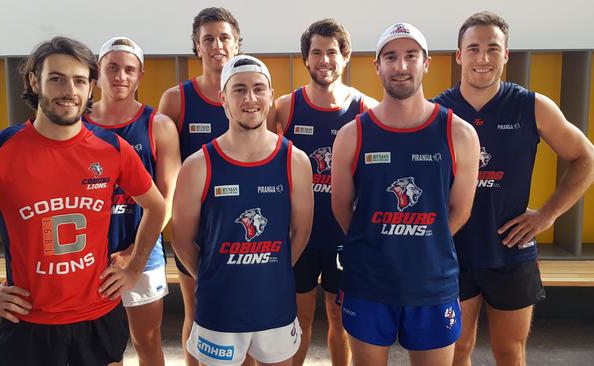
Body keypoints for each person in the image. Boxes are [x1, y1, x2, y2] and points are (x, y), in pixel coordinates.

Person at [0, 36, 165, 365]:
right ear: (35, 80)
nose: (69, 92)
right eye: (56, 78)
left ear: (91, 87)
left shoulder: (113, 150)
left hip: (98, 317)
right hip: (30, 323)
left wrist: (133, 269)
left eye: (79, 81)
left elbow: (157, 206)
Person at [432, 11, 594, 366]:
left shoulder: (531, 107)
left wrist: (548, 214)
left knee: (510, 353)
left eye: (493, 48)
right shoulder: (437, 112)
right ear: (459, 55)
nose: (483, 58)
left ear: (506, 55)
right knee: (457, 350)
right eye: (473, 48)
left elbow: (586, 158)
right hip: (453, 252)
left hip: (511, 251)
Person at [331, 23, 480, 366]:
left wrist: (420, 244)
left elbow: (459, 211)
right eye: (391, 57)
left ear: (426, 63)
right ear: (377, 66)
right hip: (368, 284)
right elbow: (342, 209)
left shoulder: (459, 133)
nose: (401, 66)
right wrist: (379, 243)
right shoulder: (352, 135)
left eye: (411, 56)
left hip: (431, 285)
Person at [171, 55, 314, 366]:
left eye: (258, 89)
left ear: (271, 95)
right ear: (223, 98)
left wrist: (269, 272)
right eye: (239, 90)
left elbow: (301, 232)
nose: (250, 99)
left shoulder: (296, 160)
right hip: (219, 308)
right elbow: (181, 241)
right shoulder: (197, 165)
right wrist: (216, 276)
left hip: (274, 305)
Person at [268, 18, 377, 366]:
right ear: (306, 59)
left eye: (332, 52)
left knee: (338, 318)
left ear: (345, 57)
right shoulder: (285, 107)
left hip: (345, 236)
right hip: (300, 235)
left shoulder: (366, 109)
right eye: (317, 52)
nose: (324, 60)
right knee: (298, 319)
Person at [83, 36, 181, 366]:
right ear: (98, 71)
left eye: (129, 69)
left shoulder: (159, 125)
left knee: (147, 342)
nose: (120, 76)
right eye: (112, 67)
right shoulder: (76, 124)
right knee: (102, 349)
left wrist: (133, 255)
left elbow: (166, 199)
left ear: (141, 75)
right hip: (87, 255)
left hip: (142, 250)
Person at [157, 7, 242, 365]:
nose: (216, 45)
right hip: (197, 231)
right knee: (197, 316)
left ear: (237, 45)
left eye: (224, 37)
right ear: (197, 47)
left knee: (244, 320)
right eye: (208, 39)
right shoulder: (176, 99)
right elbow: (169, 176)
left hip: (241, 227)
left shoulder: (250, 95)